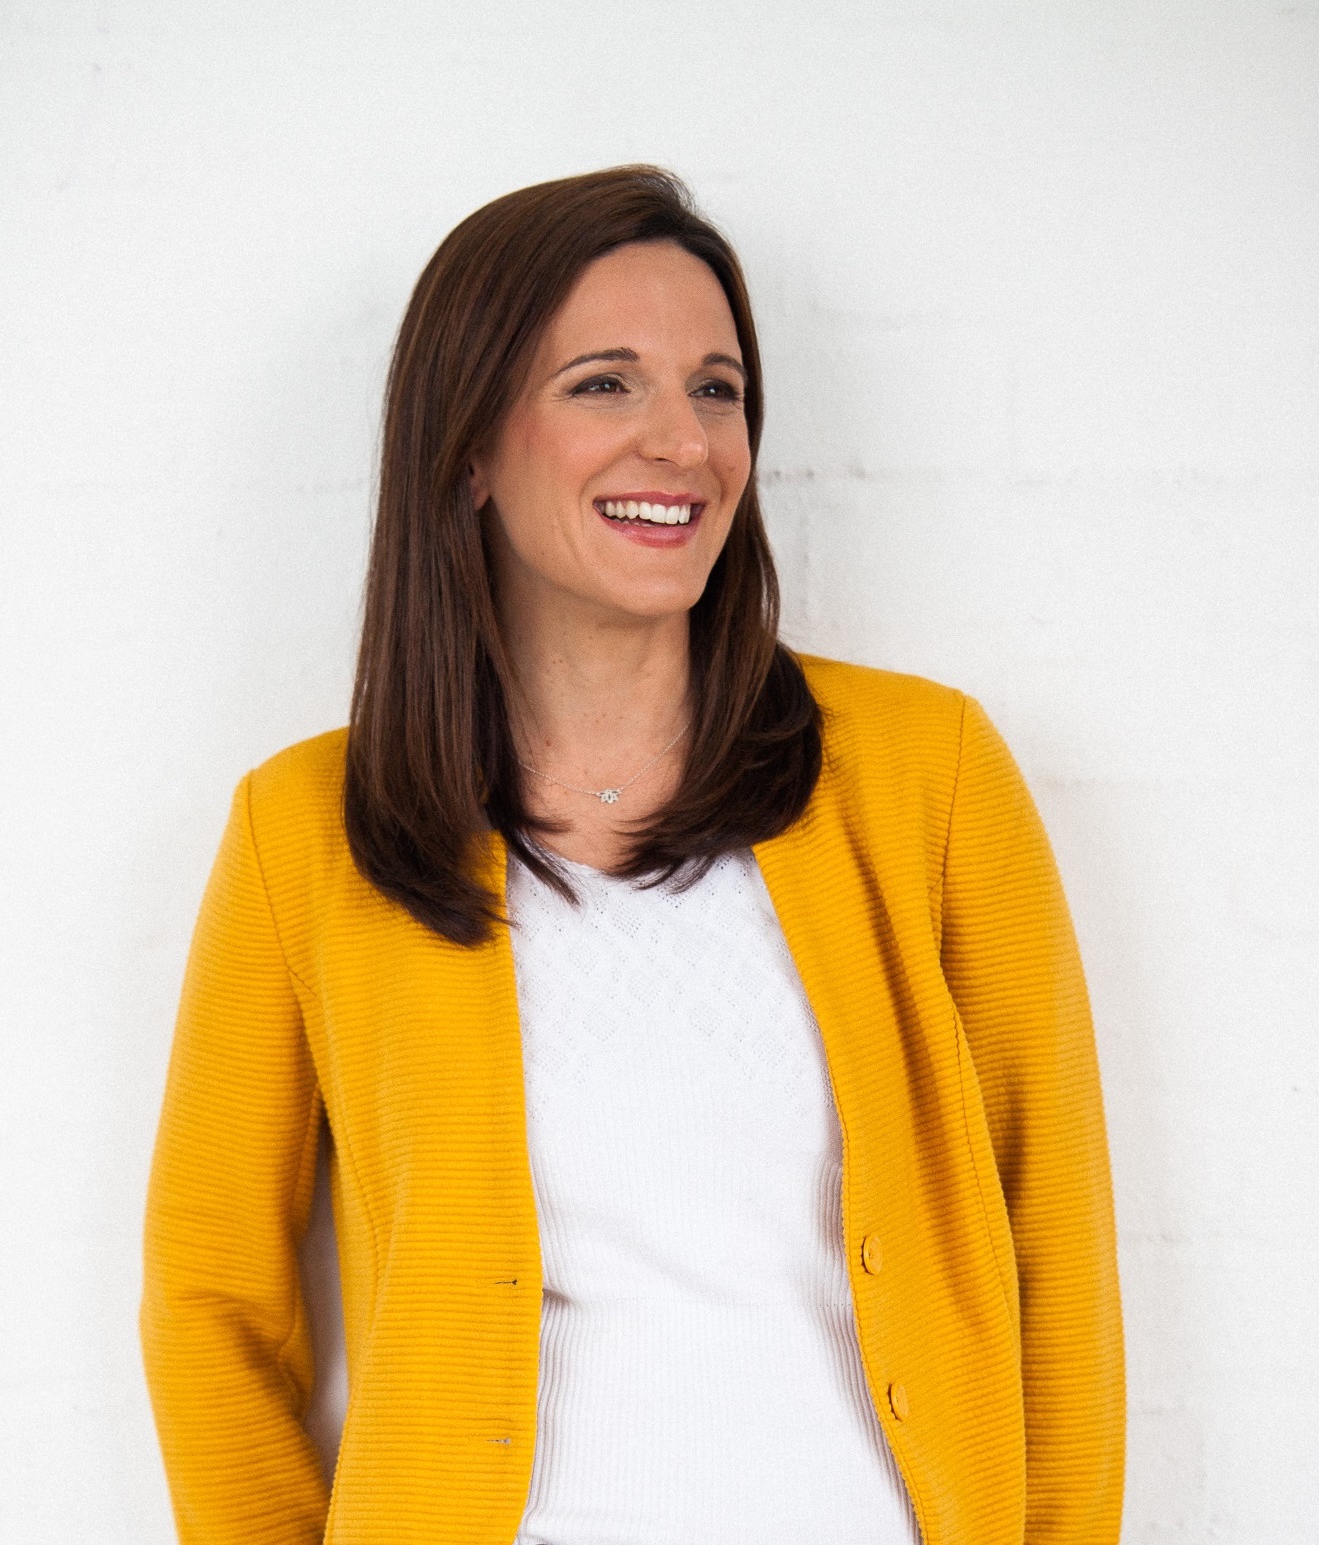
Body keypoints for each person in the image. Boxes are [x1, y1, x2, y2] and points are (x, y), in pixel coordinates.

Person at [141, 165, 1124, 1545]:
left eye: (718, 389)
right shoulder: (304, 830)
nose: (683, 442)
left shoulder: (929, 776)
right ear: (468, 450)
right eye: (605, 384)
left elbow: (1055, 1249)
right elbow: (211, 1301)